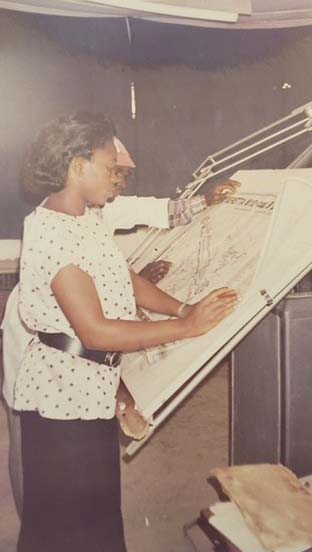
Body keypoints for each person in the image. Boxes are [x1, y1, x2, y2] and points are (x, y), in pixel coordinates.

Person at [12, 111, 238, 552]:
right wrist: (184, 327)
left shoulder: (86, 218)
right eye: (108, 163)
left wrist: (182, 306)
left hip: (87, 392)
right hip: (61, 402)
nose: (118, 175)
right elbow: (94, 333)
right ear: (78, 167)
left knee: (95, 519)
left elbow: (123, 277)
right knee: (66, 530)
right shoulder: (51, 231)